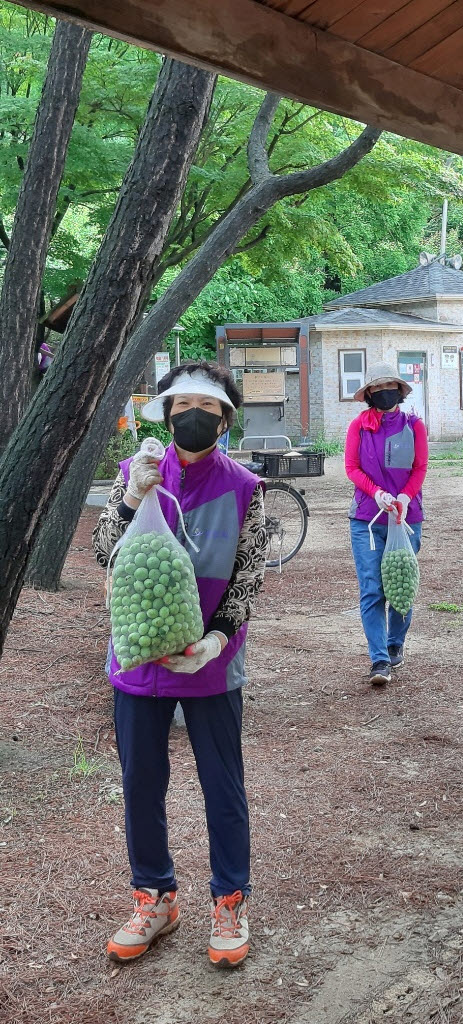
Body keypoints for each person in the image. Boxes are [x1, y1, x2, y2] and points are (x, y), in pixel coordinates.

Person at [93, 361, 266, 966]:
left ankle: (229, 901)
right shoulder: (134, 475)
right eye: (182, 405)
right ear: (165, 413)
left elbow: (246, 581)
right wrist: (132, 498)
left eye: (209, 408)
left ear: (224, 418)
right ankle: (154, 896)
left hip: (210, 667)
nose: (194, 415)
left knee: (222, 785)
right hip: (138, 663)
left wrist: (216, 642)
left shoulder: (247, 489)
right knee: (141, 782)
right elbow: (101, 552)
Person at [345, 362, 428, 686]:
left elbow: (420, 467)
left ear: (399, 390)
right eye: (376, 390)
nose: (383, 394)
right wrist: (376, 493)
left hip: (407, 518)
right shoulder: (359, 427)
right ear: (369, 395)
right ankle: (379, 660)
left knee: (401, 587)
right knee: (372, 589)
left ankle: (395, 644)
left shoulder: (414, 426)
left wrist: (405, 498)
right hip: (367, 517)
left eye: (388, 387)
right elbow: (351, 467)